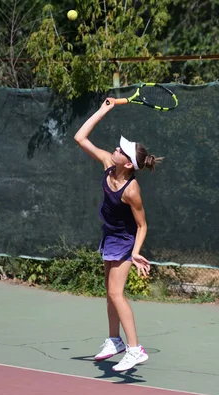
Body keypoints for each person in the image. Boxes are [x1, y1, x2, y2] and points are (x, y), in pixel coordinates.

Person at [73, 98, 162, 372]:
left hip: (124, 241)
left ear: (129, 164)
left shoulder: (132, 190)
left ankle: (135, 348)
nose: (115, 149)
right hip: (109, 236)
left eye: (121, 150)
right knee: (109, 293)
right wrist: (102, 110)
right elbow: (80, 137)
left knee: (116, 293)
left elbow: (143, 225)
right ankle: (114, 340)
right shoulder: (107, 165)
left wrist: (135, 253)